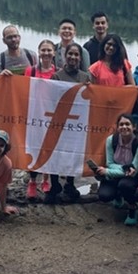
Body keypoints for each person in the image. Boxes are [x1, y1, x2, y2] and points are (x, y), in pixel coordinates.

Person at [47, 43, 91, 204]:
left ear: (80, 57)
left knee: (73, 152)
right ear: (65, 56)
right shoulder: (56, 76)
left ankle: (70, 184)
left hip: (77, 122)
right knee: (56, 153)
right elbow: (50, 99)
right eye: (70, 54)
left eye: (76, 54)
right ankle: (54, 184)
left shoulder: (85, 77)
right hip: (59, 121)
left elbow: (90, 100)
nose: (73, 57)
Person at [93, 114, 138, 226]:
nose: (124, 127)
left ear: (134, 127)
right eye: (121, 124)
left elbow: (134, 171)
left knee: (125, 185)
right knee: (104, 196)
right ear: (117, 127)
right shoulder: (111, 140)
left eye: (127, 124)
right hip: (119, 174)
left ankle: (132, 208)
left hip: (131, 178)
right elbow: (110, 163)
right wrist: (125, 168)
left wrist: (108, 171)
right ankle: (118, 195)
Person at [24, 39, 56, 198]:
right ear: (38, 52)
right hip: (34, 115)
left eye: (49, 50)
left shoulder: (57, 72)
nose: (46, 53)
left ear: (54, 53)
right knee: (33, 148)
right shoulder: (31, 71)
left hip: (50, 116)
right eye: (43, 50)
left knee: (48, 148)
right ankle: (32, 181)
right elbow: (22, 89)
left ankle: (46, 179)